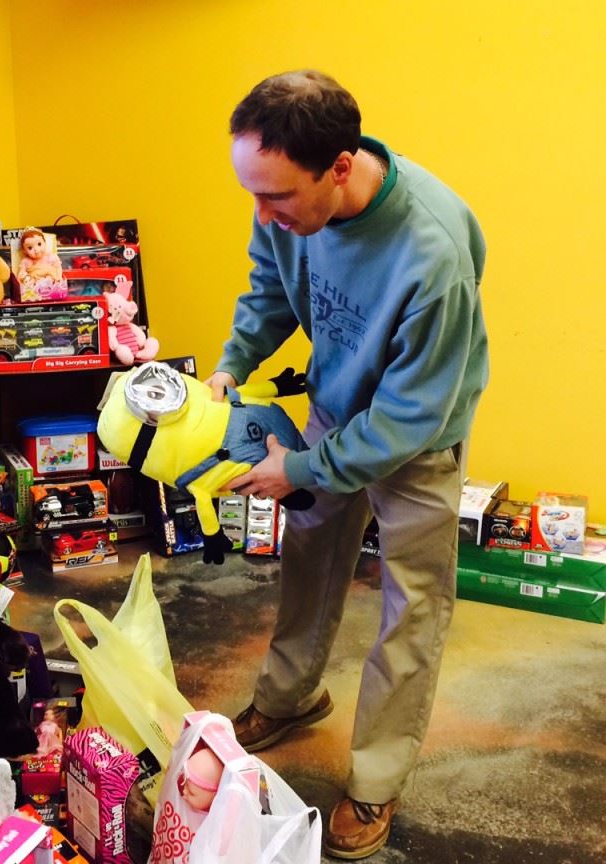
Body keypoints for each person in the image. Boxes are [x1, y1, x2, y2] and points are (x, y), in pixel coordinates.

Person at [206, 70, 488, 859]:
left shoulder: (432, 252)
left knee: (413, 604)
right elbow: (268, 291)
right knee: (311, 557)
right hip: (334, 406)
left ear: (339, 165)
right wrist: (233, 365)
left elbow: (408, 414)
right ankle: (291, 697)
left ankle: (376, 777)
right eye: (253, 195)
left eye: (278, 199)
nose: (264, 215)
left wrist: (298, 471)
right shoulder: (282, 195)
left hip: (418, 435)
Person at [15, 227, 68, 301]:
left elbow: (58, 268)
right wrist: (25, 278)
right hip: (33, 287)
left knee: (51, 278)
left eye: (39, 244)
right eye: (30, 248)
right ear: (24, 251)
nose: (36, 250)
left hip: (51, 285)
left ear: (45, 243)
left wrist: (58, 278)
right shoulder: (26, 261)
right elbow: (21, 274)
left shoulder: (51, 257)